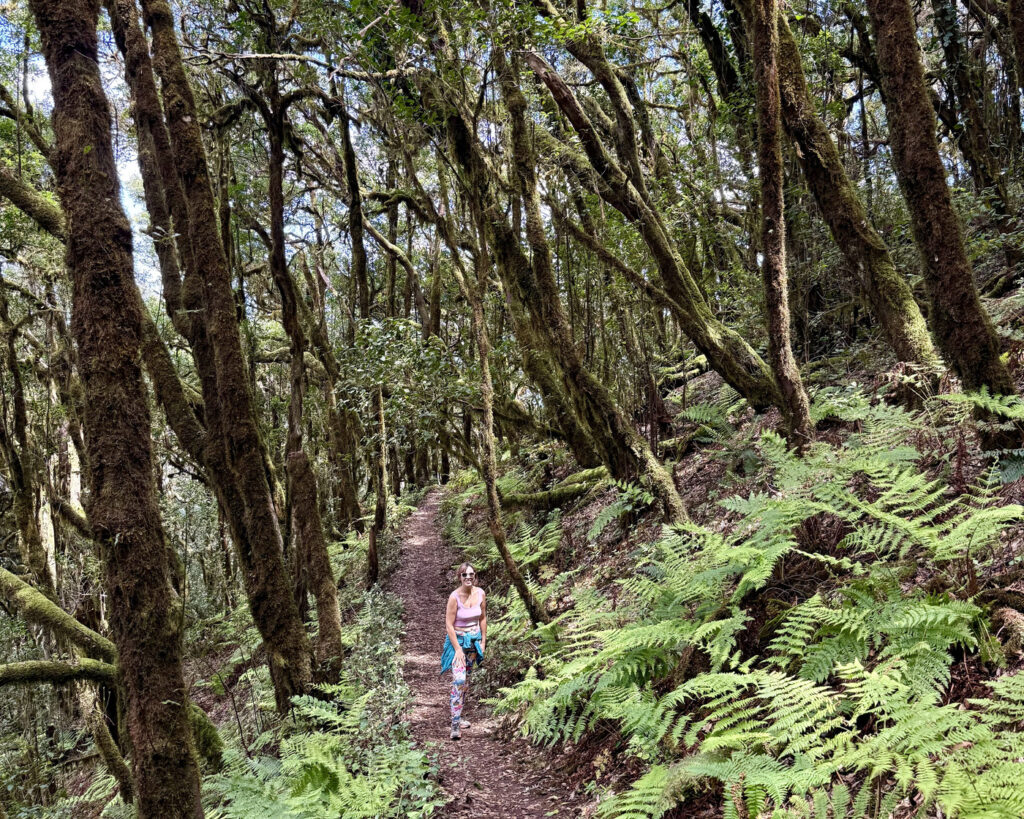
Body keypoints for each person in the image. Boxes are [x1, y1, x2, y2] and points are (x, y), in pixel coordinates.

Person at [440, 562, 486, 740]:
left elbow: (482, 618)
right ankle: (454, 724)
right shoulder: (454, 597)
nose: (468, 578)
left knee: (465, 681)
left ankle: (458, 716)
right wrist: (457, 649)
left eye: (471, 574)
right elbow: (449, 625)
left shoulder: (480, 593)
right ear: (459, 577)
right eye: (464, 575)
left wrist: (483, 641)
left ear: (475, 576)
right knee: (459, 680)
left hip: (473, 644)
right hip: (457, 642)